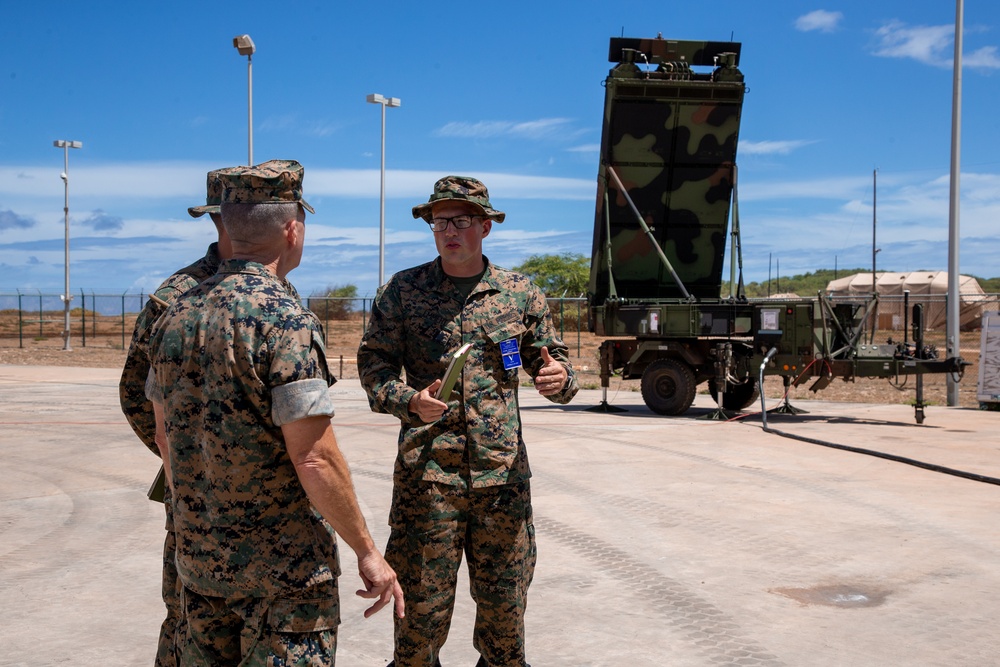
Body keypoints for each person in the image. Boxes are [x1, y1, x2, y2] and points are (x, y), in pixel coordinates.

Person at [147, 160, 403, 665]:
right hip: (282, 578)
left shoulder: (176, 314)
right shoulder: (286, 323)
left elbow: (164, 438)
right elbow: (315, 458)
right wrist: (368, 552)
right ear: (292, 229)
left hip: (200, 567)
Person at [357, 175, 579, 667]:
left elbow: (554, 366)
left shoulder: (520, 294)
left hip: (501, 483)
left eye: (460, 221)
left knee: (505, 632)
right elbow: (372, 368)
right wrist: (410, 400)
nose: (449, 231)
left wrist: (558, 380)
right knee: (416, 630)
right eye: (440, 221)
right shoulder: (402, 291)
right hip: (428, 482)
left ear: (485, 226)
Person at [119, 167, 233, 667]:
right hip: (198, 500)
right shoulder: (178, 295)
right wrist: (184, 455)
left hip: (268, 510)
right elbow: (134, 392)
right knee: (190, 619)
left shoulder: (279, 289)